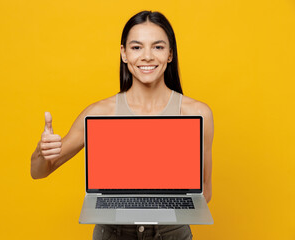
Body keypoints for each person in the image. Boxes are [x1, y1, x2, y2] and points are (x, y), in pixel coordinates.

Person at [31, 10, 214, 240]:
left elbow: (204, 192)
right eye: (137, 47)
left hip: (171, 234)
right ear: (124, 53)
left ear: (170, 54)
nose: (147, 56)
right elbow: (38, 172)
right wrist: (41, 152)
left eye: (157, 47)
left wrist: (157, 204)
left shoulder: (197, 114)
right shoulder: (98, 114)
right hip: (113, 234)